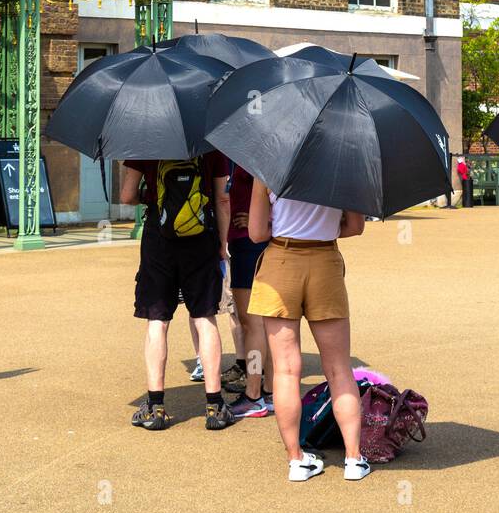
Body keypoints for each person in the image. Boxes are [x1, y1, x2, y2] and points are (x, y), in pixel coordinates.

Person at [247, 181, 369, 482]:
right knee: (339, 368)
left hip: (281, 260)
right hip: (325, 260)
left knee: (286, 370)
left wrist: (287, 223)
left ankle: (296, 459)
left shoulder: (268, 167)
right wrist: (323, 228)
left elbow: (257, 233)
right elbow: (355, 226)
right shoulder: (344, 164)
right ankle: (354, 458)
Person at [121, 153, 235, 432]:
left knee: (158, 320)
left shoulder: (144, 144)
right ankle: (215, 406)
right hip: (201, 236)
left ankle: (155, 406)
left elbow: (126, 196)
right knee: (205, 317)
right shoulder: (210, 144)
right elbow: (222, 199)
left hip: (158, 238)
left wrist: (148, 197)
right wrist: (222, 244)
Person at [222, 161, 275, 420]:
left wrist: (266, 219)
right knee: (264, 325)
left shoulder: (253, 154)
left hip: (249, 243)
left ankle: (254, 394)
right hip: (248, 242)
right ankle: (269, 390)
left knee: (252, 324)